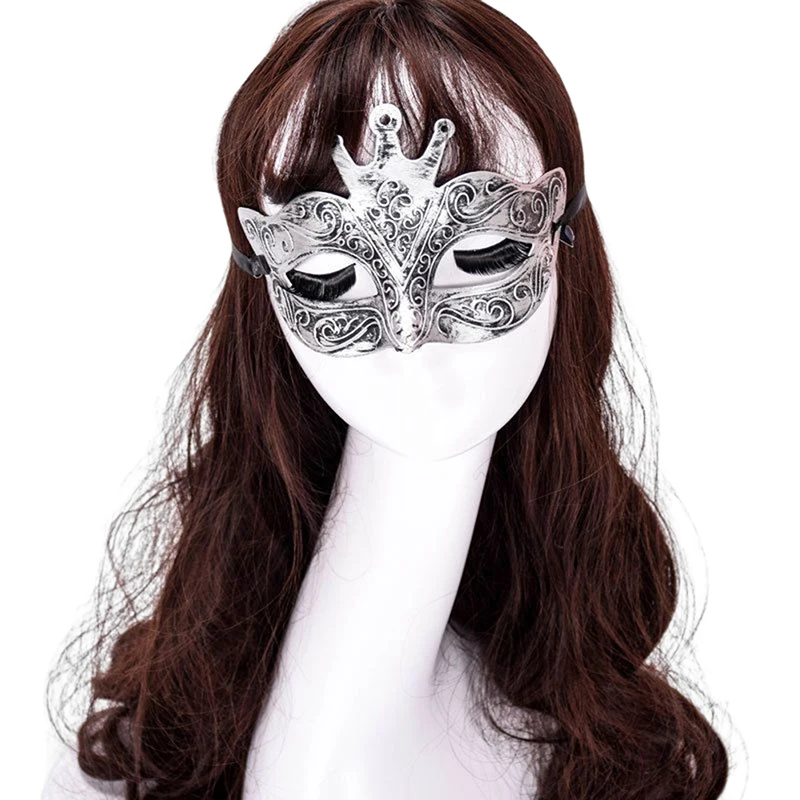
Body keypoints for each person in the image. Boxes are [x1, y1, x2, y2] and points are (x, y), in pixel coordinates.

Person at [43, 1, 729, 798]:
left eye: (483, 253)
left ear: (563, 234)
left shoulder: (606, 745)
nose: (408, 335)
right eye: (328, 276)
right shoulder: (143, 752)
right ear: (263, 284)